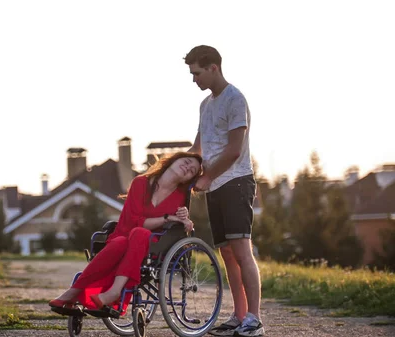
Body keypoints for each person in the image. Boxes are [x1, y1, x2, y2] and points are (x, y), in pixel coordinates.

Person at [49, 152, 203, 313]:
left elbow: (182, 225)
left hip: (155, 246)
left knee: (140, 234)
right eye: (186, 162)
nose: (187, 168)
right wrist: (166, 217)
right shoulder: (140, 183)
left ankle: (109, 292)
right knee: (123, 240)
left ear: (188, 180)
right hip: (124, 236)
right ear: (172, 160)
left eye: (192, 171)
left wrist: (186, 221)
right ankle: (77, 292)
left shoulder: (180, 197)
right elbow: (135, 221)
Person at [184, 45, 265, 337]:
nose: (194, 79)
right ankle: (239, 314)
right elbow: (198, 147)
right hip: (215, 186)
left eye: (196, 73)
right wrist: (182, 171)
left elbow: (234, 150)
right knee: (227, 254)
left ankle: (254, 319)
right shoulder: (205, 106)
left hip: (237, 182)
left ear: (213, 67)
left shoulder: (235, 99)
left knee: (242, 251)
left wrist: (207, 178)